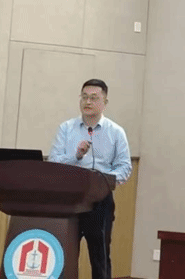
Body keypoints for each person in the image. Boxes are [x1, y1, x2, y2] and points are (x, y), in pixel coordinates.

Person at [49, 78, 132, 279]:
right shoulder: (66, 128)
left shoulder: (116, 132)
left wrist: (104, 181)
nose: (87, 102)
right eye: (84, 97)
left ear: (105, 102)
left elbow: (125, 168)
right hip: (69, 199)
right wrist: (76, 156)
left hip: (100, 200)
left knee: (100, 255)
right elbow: (54, 162)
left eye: (94, 98)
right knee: (65, 252)